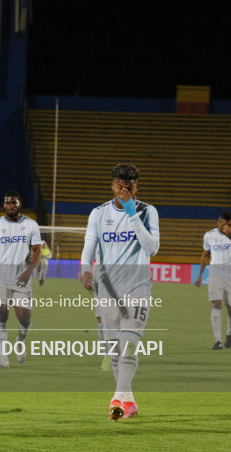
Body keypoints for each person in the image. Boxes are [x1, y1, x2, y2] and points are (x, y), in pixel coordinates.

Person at [80, 164, 160, 421]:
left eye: (130, 186)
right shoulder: (98, 213)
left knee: (128, 345)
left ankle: (117, 398)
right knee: (113, 351)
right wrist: (84, 269)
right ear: (112, 185)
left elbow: (152, 248)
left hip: (137, 287)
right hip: (106, 289)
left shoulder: (148, 211)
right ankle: (129, 401)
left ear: (138, 187)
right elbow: (89, 244)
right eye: (120, 185)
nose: (124, 190)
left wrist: (131, 213)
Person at [0, 191, 42, 368]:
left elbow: (37, 251)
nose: (10, 206)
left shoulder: (30, 225)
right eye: (7, 203)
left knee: (24, 318)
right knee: (1, 314)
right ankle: (3, 359)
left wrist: (28, 272)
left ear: (20, 204)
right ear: (4, 205)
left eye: (14, 203)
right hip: (1, 278)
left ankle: (20, 341)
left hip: (22, 280)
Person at [194, 211, 231, 350]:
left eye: (230, 224)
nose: (227, 227)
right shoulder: (209, 235)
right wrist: (200, 275)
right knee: (216, 304)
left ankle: (229, 333)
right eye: (224, 224)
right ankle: (218, 341)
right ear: (219, 223)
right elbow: (205, 255)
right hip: (215, 275)